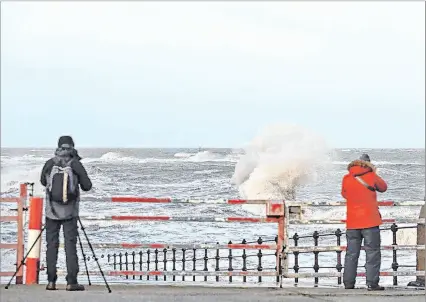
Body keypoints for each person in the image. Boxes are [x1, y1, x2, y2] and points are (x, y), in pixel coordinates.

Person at [40, 136, 92, 291]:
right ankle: (71, 282)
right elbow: (87, 186)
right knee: (70, 245)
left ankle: (51, 281)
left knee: (51, 245)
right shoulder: (75, 164)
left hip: (51, 212)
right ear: (72, 146)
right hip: (70, 213)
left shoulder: (50, 163)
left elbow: (43, 182)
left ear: (58, 147)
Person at [341, 153, 387, 291]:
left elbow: (344, 194)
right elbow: (383, 187)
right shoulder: (371, 176)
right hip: (370, 221)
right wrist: (374, 172)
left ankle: (348, 283)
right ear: (369, 164)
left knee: (351, 254)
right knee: (372, 253)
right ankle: (372, 283)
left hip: (353, 222)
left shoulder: (346, 178)